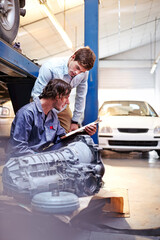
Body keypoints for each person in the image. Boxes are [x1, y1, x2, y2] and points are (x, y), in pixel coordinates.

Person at [7, 79, 97, 159]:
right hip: (24, 160)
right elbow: (18, 147)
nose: (68, 102)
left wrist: (83, 132)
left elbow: (61, 139)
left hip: (41, 156)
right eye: (66, 97)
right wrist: (43, 158)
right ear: (58, 96)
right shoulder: (27, 113)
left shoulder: (53, 114)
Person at [31, 46, 96, 133]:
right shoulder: (50, 67)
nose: (77, 73)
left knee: (68, 133)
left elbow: (81, 96)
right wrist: (45, 115)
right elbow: (36, 95)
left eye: (81, 71)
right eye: (77, 68)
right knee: (42, 132)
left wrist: (75, 121)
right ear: (73, 57)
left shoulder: (84, 73)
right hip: (44, 104)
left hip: (62, 105)